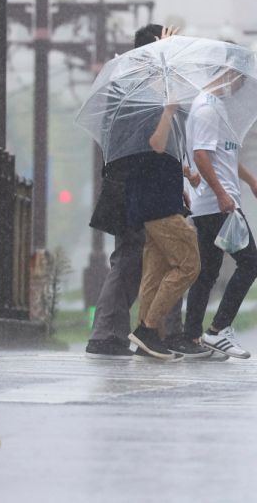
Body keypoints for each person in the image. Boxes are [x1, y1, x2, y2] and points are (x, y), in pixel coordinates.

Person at [85, 23, 198, 359]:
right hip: (137, 188)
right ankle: (123, 332)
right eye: (167, 50)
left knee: (151, 261)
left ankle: (153, 332)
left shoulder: (147, 87)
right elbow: (151, 142)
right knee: (138, 260)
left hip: (151, 186)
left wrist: (181, 177)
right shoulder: (133, 87)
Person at [182, 61, 257, 359]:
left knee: (207, 272)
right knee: (250, 264)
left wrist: (253, 182)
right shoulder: (206, 107)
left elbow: (225, 156)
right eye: (238, 80)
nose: (238, 88)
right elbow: (200, 156)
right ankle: (219, 330)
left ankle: (191, 337)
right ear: (227, 73)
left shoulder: (216, 108)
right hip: (218, 204)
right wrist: (221, 193)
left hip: (214, 203)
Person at [126, 80, 203, 361]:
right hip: (158, 206)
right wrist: (169, 111)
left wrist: (183, 176)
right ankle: (148, 328)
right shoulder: (151, 109)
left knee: (155, 273)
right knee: (189, 265)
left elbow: (161, 157)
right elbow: (156, 145)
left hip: (159, 200)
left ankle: (146, 338)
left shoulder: (153, 107)